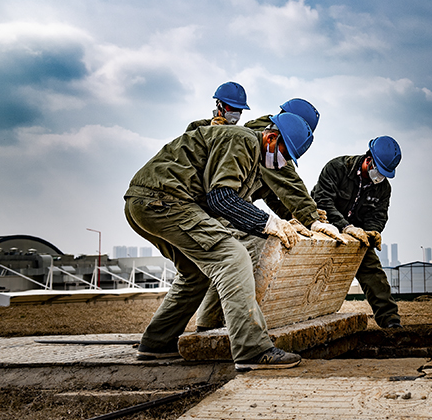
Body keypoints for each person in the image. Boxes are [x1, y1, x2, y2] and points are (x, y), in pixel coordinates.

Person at [123, 111, 315, 371]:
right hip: (165, 201)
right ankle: (252, 350)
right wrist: (269, 223)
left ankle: (157, 344)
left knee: (195, 273)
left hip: (145, 202)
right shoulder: (244, 141)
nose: (282, 162)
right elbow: (221, 199)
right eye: (283, 152)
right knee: (233, 258)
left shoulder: (250, 156)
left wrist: (283, 222)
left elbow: (234, 205)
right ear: (270, 137)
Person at [188, 97, 343, 332]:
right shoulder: (270, 138)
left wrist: (292, 218)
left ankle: (207, 325)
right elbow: (289, 183)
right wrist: (313, 220)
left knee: (223, 259)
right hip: (221, 204)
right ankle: (217, 328)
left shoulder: (265, 137)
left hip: (224, 203)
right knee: (243, 251)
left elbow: (271, 191)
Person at [311, 136, 403, 329]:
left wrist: (372, 232)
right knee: (311, 271)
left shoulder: (383, 188)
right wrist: (345, 227)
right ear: (368, 160)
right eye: (379, 171)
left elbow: (378, 215)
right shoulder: (337, 168)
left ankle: (390, 320)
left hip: (356, 235)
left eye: (385, 174)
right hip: (324, 227)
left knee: (372, 270)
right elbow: (322, 201)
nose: (380, 177)